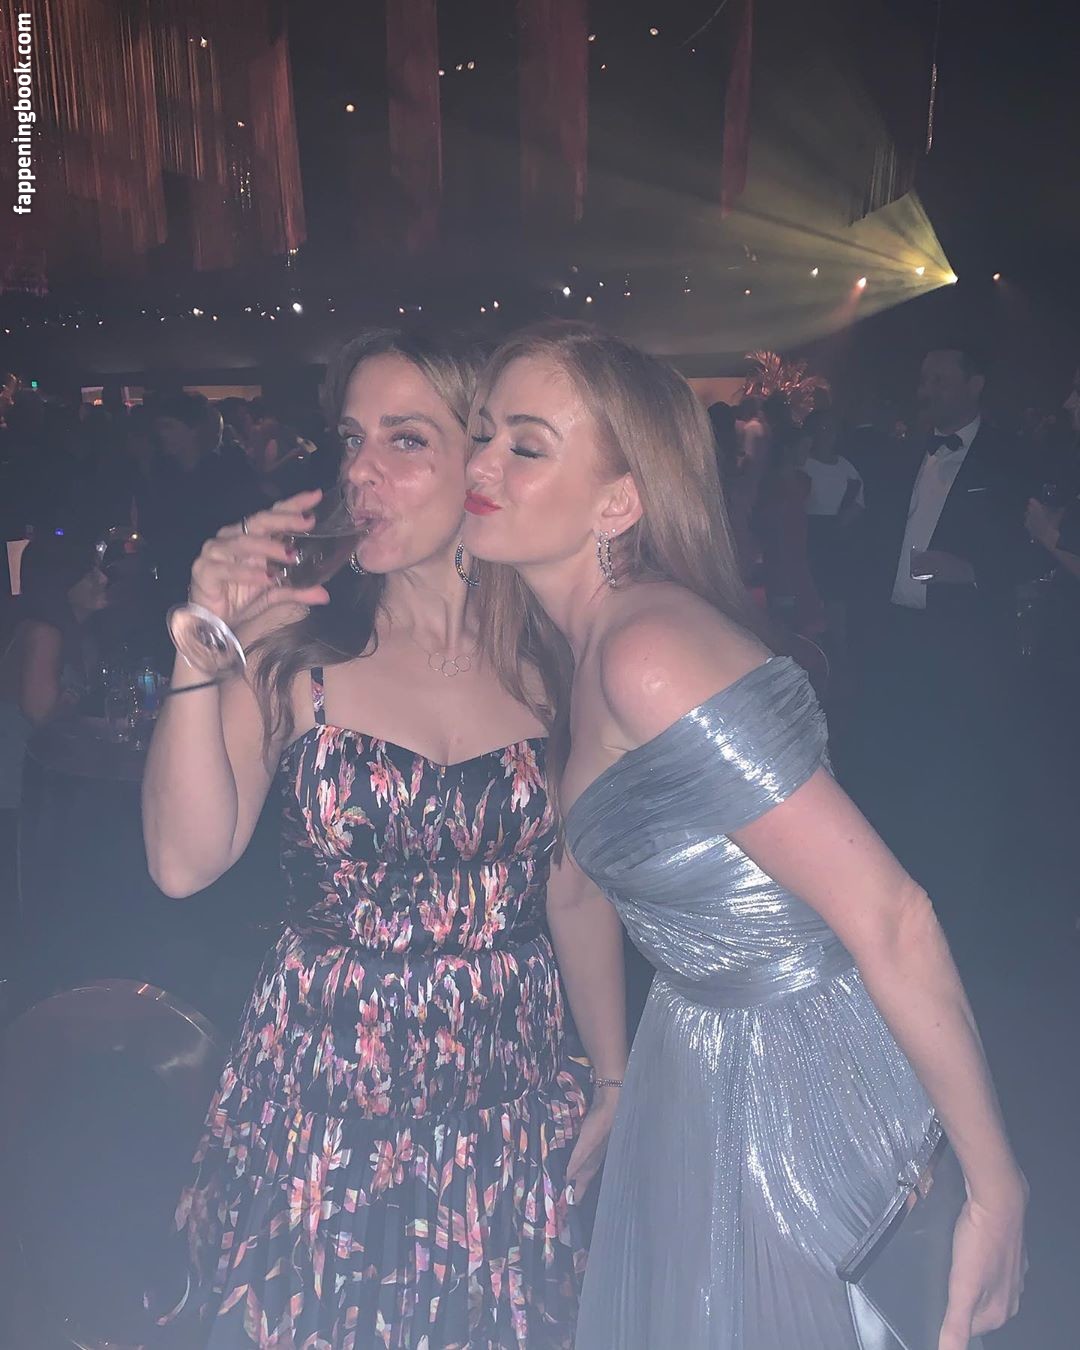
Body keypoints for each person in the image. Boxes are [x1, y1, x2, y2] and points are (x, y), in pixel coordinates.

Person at [463, 321, 1026, 1350]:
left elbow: (892, 914)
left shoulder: (647, 649)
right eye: (482, 433)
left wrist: (998, 1193)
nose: (483, 465)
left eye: (525, 445)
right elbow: (578, 881)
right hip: (701, 1042)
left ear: (619, 501)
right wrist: (613, 1077)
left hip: (801, 1067)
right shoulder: (575, 649)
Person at [141, 330, 610, 1348]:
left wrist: (612, 1076)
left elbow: (575, 889)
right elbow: (182, 864)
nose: (360, 471)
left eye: (406, 440)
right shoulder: (297, 650)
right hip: (325, 1096)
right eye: (352, 439)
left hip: (506, 1093)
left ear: (483, 460)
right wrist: (199, 646)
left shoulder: (556, 657)